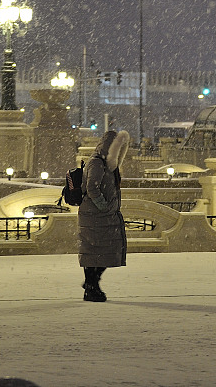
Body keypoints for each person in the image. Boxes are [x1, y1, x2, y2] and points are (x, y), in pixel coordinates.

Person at [78, 129, 129, 302]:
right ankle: (91, 287)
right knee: (93, 251)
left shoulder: (108, 166)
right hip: (95, 215)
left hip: (104, 216)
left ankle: (91, 284)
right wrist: (103, 206)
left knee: (107, 250)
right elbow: (92, 187)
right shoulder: (97, 163)